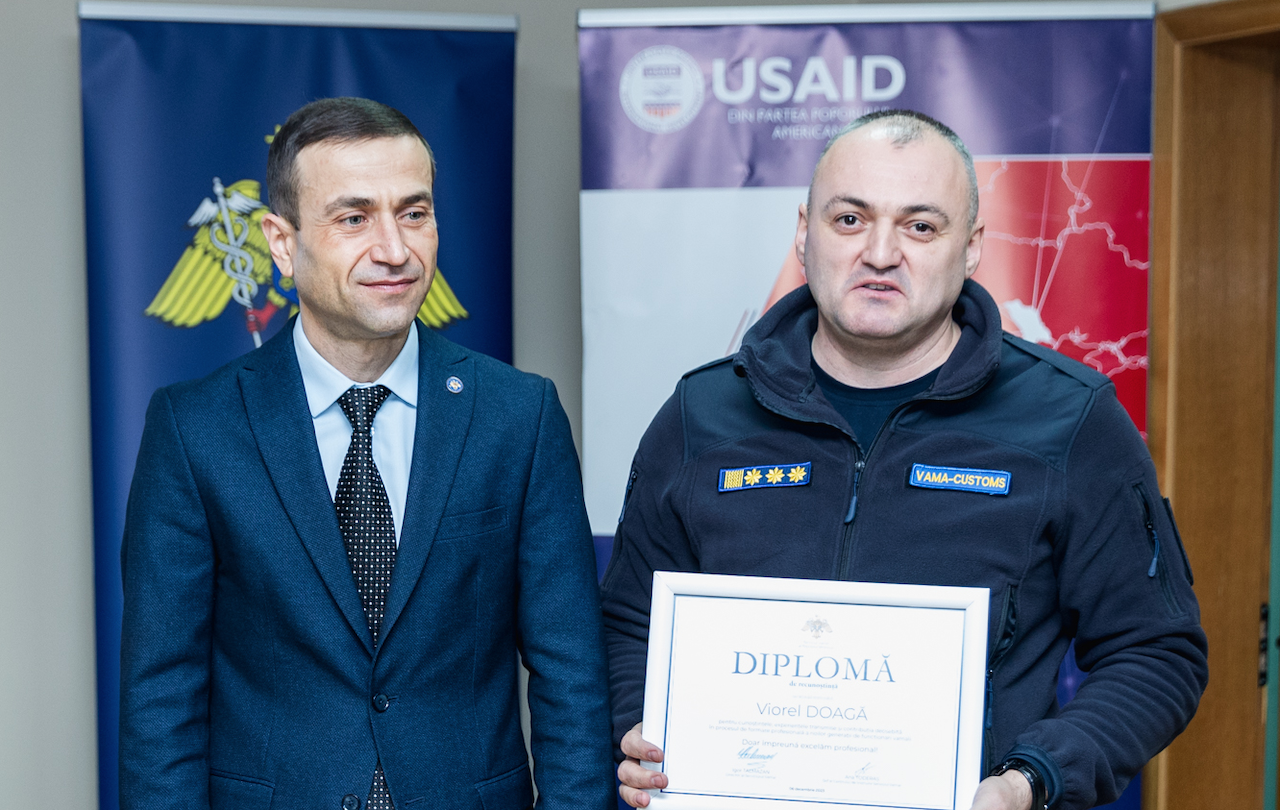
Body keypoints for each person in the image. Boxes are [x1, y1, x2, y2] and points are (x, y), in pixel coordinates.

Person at [600, 110, 1208, 810]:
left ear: (971, 247)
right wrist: (639, 730)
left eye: (920, 226)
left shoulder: (1070, 420)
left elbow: (1157, 651)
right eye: (849, 219)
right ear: (803, 233)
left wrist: (1030, 780)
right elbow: (630, 625)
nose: (881, 252)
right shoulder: (700, 416)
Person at [119, 97, 614, 810]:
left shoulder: (519, 416)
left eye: (413, 213)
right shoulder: (195, 429)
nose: (394, 249)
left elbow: (572, 676)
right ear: (281, 242)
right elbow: (161, 695)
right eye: (354, 219)